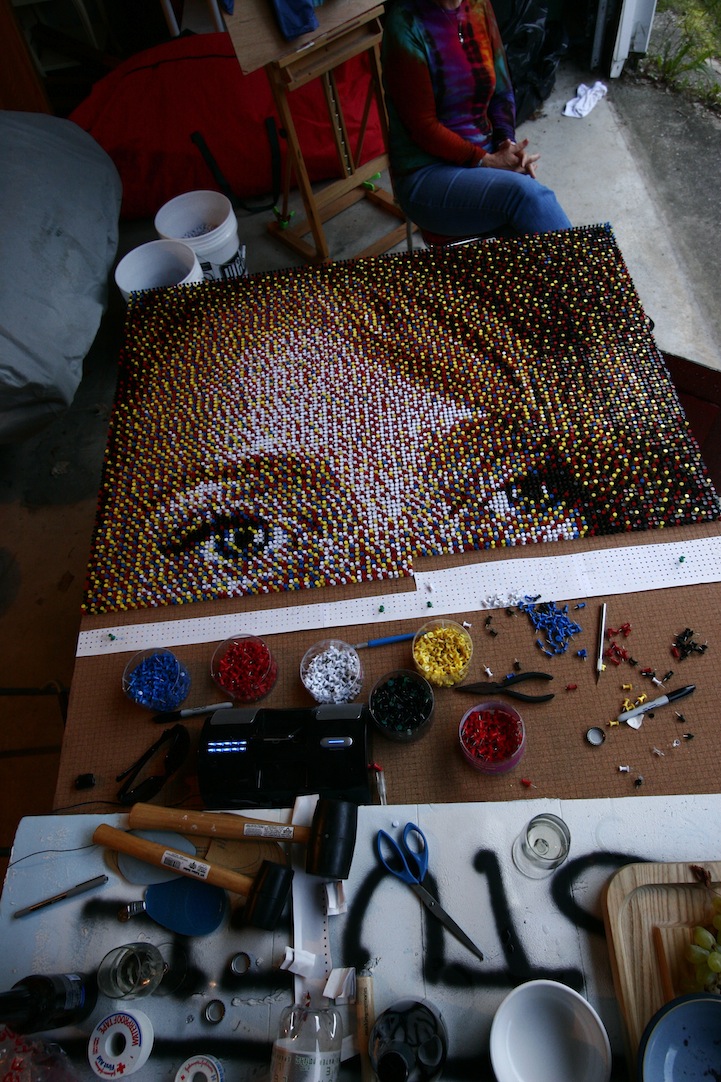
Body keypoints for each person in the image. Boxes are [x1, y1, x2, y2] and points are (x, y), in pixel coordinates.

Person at [381, 0, 572, 238]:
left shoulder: (479, 5)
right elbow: (423, 127)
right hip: (426, 173)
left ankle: (577, 262)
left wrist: (506, 143)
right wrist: (486, 161)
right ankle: (586, 263)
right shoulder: (406, 24)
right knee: (526, 196)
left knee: (531, 223)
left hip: (483, 155)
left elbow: (502, 92)